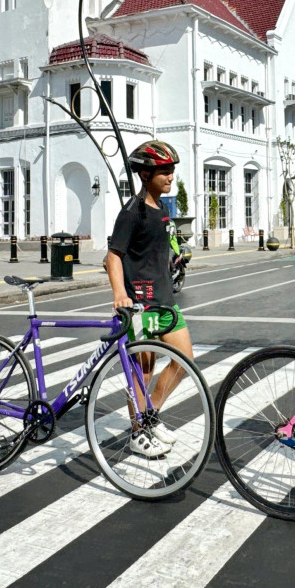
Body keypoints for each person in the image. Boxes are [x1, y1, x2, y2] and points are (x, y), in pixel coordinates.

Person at [104, 140, 195, 458]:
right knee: (142, 373)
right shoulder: (132, 212)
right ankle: (137, 432)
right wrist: (120, 295)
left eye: (171, 171)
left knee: (185, 362)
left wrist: (174, 257)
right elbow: (112, 257)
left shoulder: (163, 208)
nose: (170, 177)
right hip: (141, 302)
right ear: (145, 175)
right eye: (164, 172)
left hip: (166, 299)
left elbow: (156, 247)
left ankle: (149, 416)